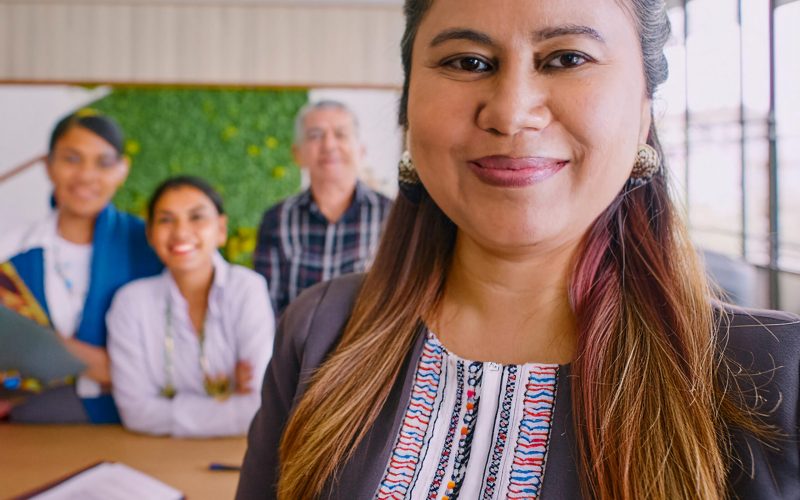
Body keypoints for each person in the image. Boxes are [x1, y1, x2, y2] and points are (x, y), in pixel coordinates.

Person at [237, 0, 800, 498]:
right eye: (467, 62)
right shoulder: (320, 332)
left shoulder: (775, 375)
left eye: (567, 58)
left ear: (644, 109)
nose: (509, 113)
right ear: (408, 105)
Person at [0, 110, 162, 424]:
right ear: (48, 166)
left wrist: (53, 350)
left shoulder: (151, 247)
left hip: (134, 425)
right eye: (72, 159)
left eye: (103, 162)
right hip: (25, 428)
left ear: (122, 170)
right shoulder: (11, 250)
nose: (86, 175)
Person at [107, 176, 274, 438]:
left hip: (236, 452)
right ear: (150, 234)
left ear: (220, 229)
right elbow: (135, 412)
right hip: (157, 455)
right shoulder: (131, 303)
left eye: (196, 217)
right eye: (166, 219)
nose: (181, 232)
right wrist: (232, 406)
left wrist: (166, 410)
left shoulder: (247, 288)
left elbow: (260, 406)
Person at [253, 100, 392, 316]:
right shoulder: (277, 219)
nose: (329, 145)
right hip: (297, 347)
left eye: (341, 134)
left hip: (368, 347)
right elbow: (265, 308)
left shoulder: (393, 216)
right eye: (315, 135)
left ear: (361, 150)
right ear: (297, 153)